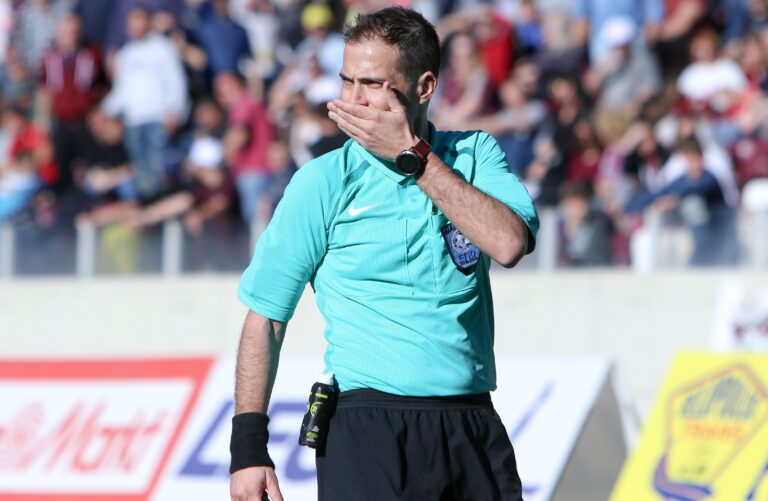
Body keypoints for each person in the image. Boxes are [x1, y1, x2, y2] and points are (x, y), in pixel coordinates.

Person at [229, 7, 539, 501]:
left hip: (470, 421)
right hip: (367, 428)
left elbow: (508, 244)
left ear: (424, 87)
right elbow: (265, 318)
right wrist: (248, 448)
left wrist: (414, 158)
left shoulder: (474, 154)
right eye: (346, 80)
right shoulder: (322, 181)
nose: (353, 99)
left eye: (372, 83)